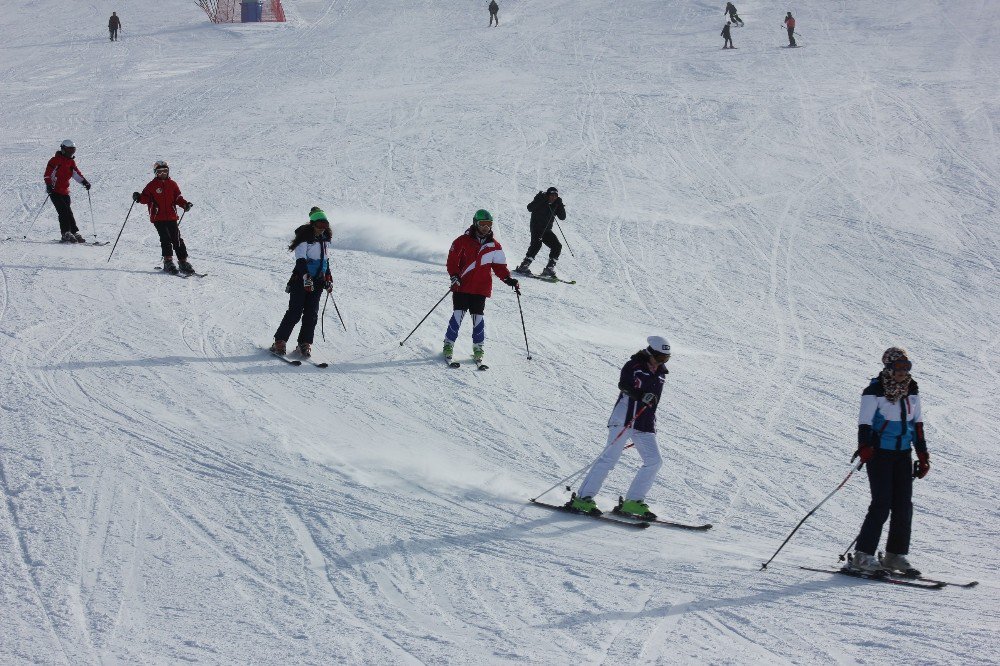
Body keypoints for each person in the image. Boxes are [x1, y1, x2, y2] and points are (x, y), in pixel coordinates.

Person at [567, 336, 671, 519]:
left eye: (666, 359)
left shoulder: (661, 374)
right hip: (624, 419)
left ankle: (633, 502)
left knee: (654, 461)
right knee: (609, 460)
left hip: (644, 423)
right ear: (650, 352)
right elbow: (624, 385)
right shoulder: (634, 366)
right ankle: (583, 499)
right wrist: (641, 395)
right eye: (660, 358)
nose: (662, 362)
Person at [848, 347, 930, 576]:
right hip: (879, 454)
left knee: (904, 505)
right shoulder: (873, 391)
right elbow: (864, 423)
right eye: (898, 367)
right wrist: (865, 447)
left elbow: (918, 425)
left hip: (903, 454)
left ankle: (895, 555)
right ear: (888, 367)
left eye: (907, 367)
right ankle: (863, 555)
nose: (903, 372)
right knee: (882, 503)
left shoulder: (912, 390)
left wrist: (922, 455)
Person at [443, 209, 519, 366]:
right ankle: (448, 345)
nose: (486, 227)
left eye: (489, 224)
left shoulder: (494, 246)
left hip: (480, 288)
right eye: (483, 224)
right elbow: (452, 261)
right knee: (458, 315)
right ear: (475, 223)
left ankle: (478, 348)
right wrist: (454, 275)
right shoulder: (462, 241)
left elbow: (499, 267)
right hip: (461, 286)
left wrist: (508, 279)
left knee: (478, 318)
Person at [270, 208, 333, 359]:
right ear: (312, 224)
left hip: (317, 281)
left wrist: (328, 278)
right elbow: (300, 260)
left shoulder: (324, 240)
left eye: (325, 225)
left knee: (311, 314)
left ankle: (304, 343)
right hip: (301, 281)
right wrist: (306, 276)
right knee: (295, 312)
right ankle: (279, 341)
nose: (322, 228)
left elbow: (325, 261)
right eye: (320, 224)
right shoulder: (305, 238)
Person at [132, 161, 195, 275]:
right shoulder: (151, 185)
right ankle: (168, 262)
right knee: (165, 238)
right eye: (160, 172)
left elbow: (178, 198)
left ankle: (183, 262)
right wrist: (139, 197)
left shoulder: (173, 184)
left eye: (165, 171)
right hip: (158, 217)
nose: (162, 174)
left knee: (177, 239)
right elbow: (145, 198)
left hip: (171, 216)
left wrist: (185, 204)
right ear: (155, 173)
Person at [43, 139, 91, 243]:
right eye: (69, 151)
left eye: (73, 151)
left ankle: (73, 232)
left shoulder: (71, 162)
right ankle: (65, 233)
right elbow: (47, 174)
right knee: (63, 211)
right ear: (63, 149)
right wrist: (49, 185)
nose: (71, 153)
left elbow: (76, 173)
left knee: (69, 212)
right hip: (54, 191)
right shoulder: (54, 160)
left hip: (65, 191)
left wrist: (84, 182)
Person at [514, 187, 566, 279]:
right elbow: (529, 208)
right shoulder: (540, 198)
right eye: (551, 195)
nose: (553, 198)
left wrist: (560, 204)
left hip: (546, 230)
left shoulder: (556, 204)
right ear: (547, 195)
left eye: (555, 196)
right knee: (536, 244)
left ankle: (549, 268)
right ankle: (524, 266)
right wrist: (541, 200)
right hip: (536, 227)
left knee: (557, 245)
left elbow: (562, 217)